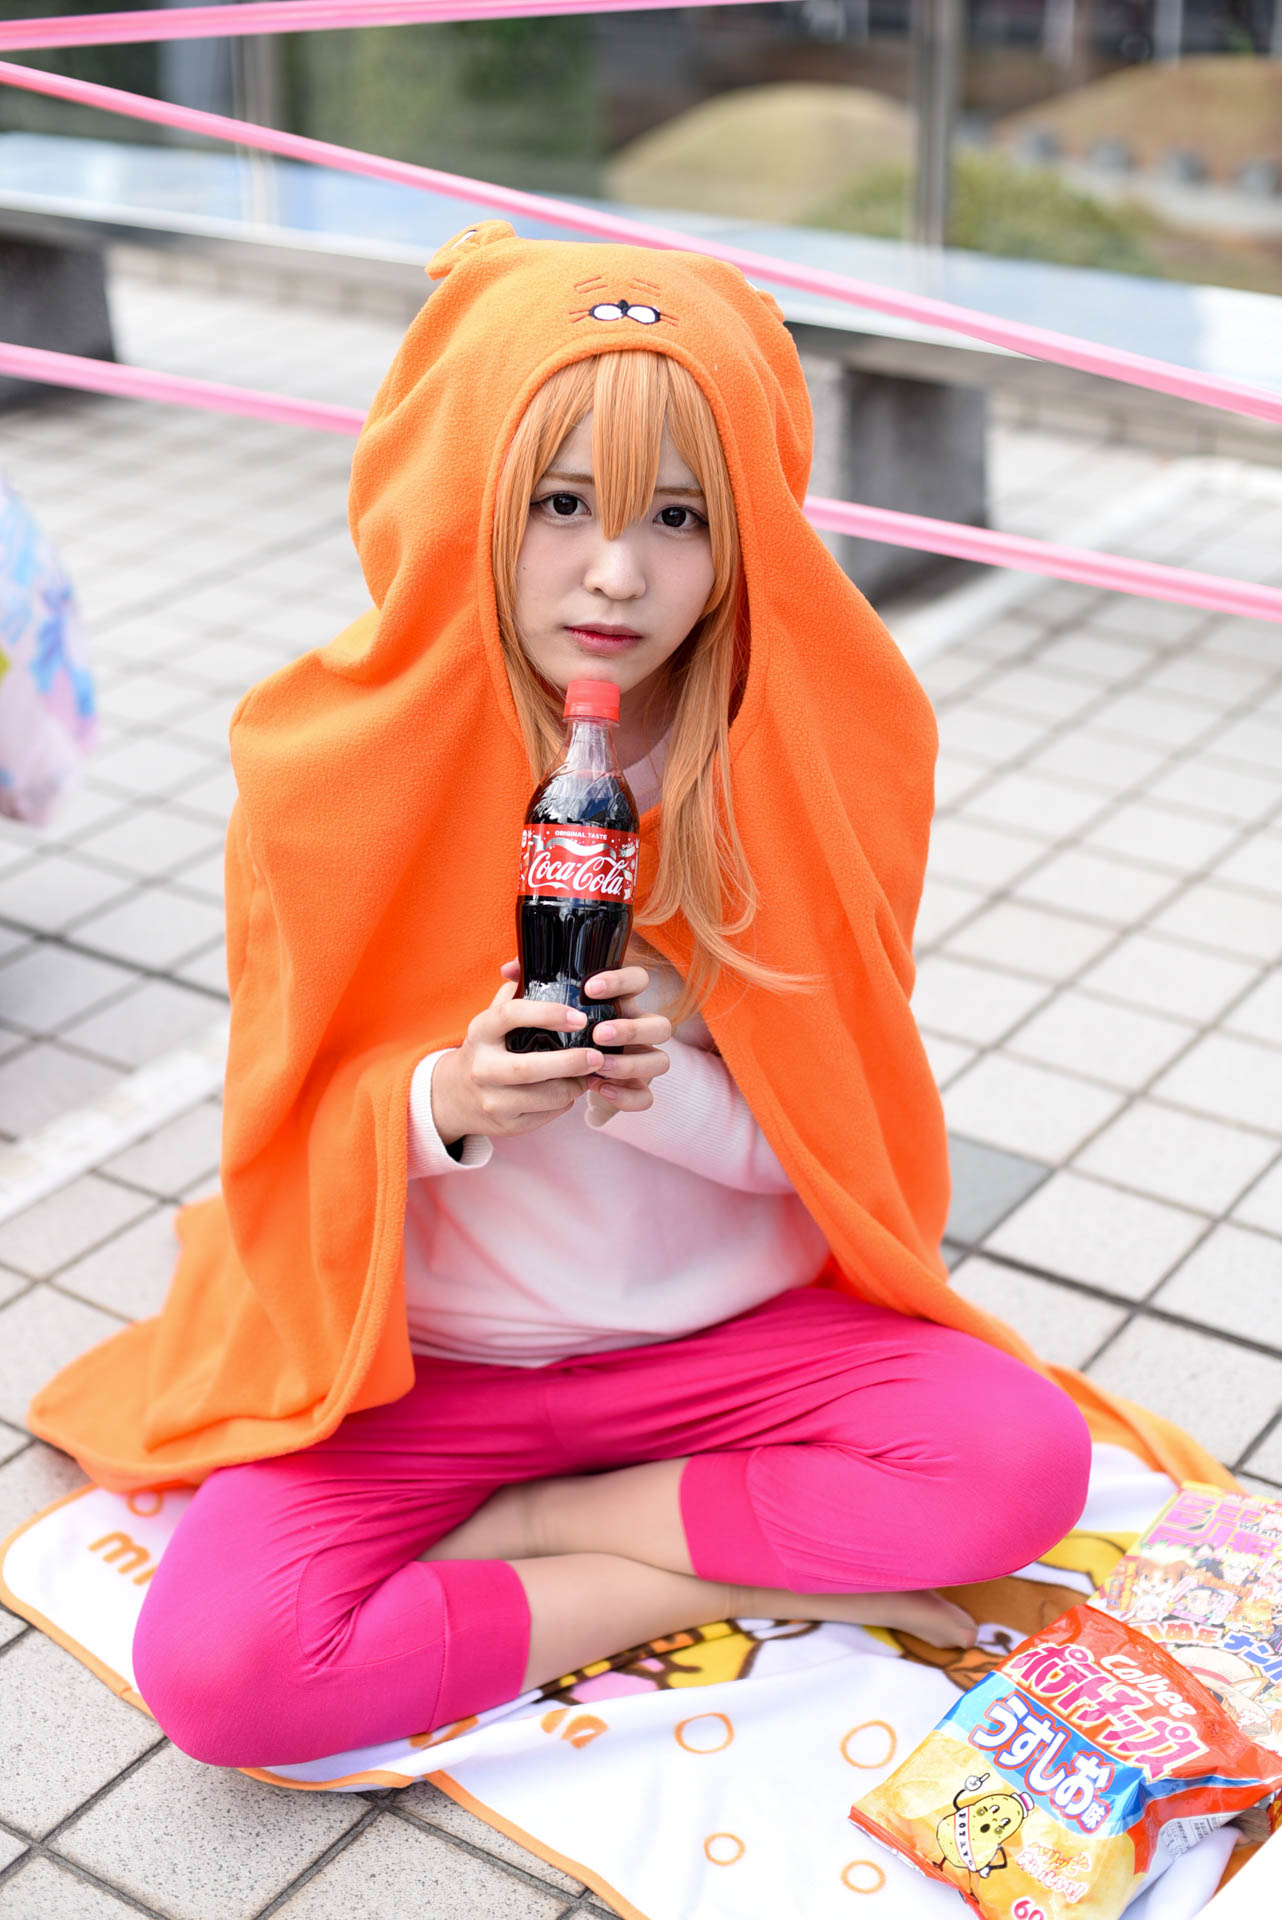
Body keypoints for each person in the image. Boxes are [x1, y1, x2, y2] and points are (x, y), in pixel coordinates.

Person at [27, 225, 1218, 1772]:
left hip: (714, 1349)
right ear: (464, 490)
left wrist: (665, 1090)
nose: (614, 570)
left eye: (677, 515)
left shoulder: (804, 766)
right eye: (559, 502)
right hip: (426, 1369)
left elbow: (831, 1147)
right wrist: (445, 1103)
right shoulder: (332, 768)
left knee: (1014, 1465)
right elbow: (280, 1133)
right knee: (227, 1676)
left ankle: (545, 1523)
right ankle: (694, 1563)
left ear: (747, 536)